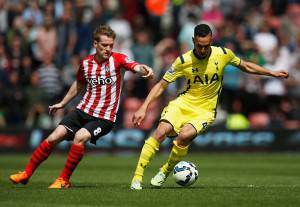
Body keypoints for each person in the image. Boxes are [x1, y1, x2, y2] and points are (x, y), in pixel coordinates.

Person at [130, 24, 288, 190]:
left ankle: (165, 170)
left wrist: (271, 73)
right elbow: (161, 85)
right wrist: (143, 107)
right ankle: (137, 178)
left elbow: (246, 66)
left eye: (206, 46)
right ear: (193, 41)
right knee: (161, 131)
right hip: (183, 104)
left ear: (211, 40)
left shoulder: (223, 54)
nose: (203, 50)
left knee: (184, 136)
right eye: (199, 46)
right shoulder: (183, 61)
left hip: (205, 111)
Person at [9, 25, 153, 189]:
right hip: (82, 110)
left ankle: (64, 180)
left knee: (80, 137)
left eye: (111, 45)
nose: (108, 49)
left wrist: (144, 69)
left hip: (104, 117)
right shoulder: (86, 63)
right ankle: (26, 173)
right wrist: (63, 103)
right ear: (95, 44)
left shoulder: (118, 59)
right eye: (104, 45)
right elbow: (78, 84)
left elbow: (135, 66)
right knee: (54, 137)